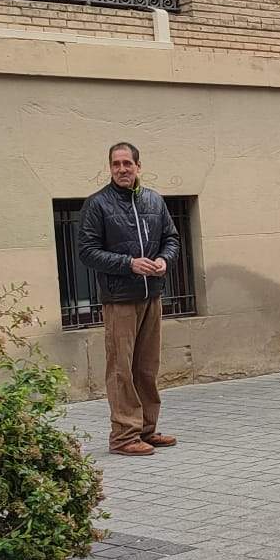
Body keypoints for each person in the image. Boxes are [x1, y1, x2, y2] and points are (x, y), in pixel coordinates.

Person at [78, 141, 181, 456]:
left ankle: (147, 430)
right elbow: (87, 251)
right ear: (110, 168)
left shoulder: (154, 201)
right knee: (121, 369)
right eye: (115, 164)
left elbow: (172, 238)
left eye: (127, 163)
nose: (121, 169)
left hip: (152, 295)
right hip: (119, 299)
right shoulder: (97, 204)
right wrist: (128, 264)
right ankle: (123, 437)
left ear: (138, 166)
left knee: (147, 367)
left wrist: (165, 260)